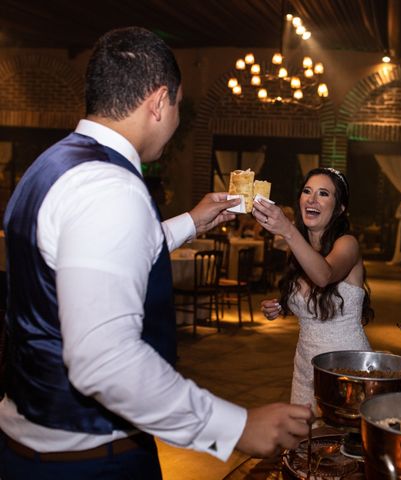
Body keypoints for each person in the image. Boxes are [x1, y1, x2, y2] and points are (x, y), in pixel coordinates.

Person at [0, 27, 312, 480]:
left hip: (25, 443)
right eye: (180, 106)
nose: (178, 118)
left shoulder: (50, 167)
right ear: (160, 101)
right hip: (90, 461)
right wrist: (234, 426)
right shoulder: (112, 187)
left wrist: (189, 223)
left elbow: (80, 261)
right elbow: (104, 361)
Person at [253, 167, 374, 411]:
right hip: (305, 368)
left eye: (323, 194)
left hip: (345, 367)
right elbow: (311, 299)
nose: (312, 199)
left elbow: (324, 275)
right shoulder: (298, 248)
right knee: (305, 442)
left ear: (340, 208)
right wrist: (282, 305)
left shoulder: (348, 244)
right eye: (307, 191)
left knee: (340, 441)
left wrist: (287, 229)